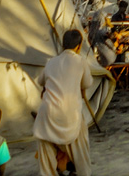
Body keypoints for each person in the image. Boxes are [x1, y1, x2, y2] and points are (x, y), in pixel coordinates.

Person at [33, 29, 94, 176]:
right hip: (69, 114)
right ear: (79, 46)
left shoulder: (51, 62)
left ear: (62, 45)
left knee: (46, 157)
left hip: (46, 114)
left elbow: (41, 81)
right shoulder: (80, 61)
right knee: (80, 150)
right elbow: (87, 83)